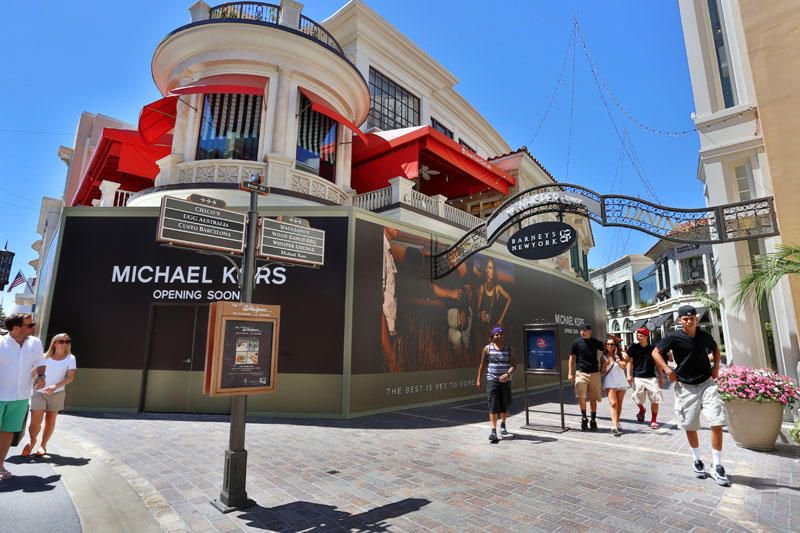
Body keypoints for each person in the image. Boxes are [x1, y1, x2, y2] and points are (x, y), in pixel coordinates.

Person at [652, 305, 730, 487]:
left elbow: (715, 348)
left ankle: (717, 465)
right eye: (685, 319)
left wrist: (716, 367)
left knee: (716, 421)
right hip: (685, 386)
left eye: (691, 318)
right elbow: (655, 352)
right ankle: (697, 460)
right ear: (680, 320)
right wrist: (667, 369)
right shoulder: (673, 337)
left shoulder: (704, 336)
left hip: (707, 383)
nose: (688, 321)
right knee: (690, 424)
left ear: (696, 319)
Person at [0, 313, 45, 480]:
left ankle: (0, 465)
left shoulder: (35, 343)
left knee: (8, 432)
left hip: (21, 398)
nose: (33, 327)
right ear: (16, 328)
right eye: (29, 325)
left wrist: (41, 376)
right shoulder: (1, 343)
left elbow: (40, 362)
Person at [22, 333, 77, 457]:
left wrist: (55, 387)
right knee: (35, 422)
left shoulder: (70, 358)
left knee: (50, 420)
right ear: (54, 343)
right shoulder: (43, 357)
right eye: (61, 341)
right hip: (39, 392)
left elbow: (70, 377)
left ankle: (43, 445)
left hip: (57, 393)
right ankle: (32, 441)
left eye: (67, 341)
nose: (64, 344)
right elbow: (31, 373)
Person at [476, 326, 516, 443]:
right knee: (493, 405)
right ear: (492, 337)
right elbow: (482, 365)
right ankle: (493, 431)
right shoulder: (487, 349)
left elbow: (514, 365)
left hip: (505, 381)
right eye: (497, 334)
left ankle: (503, 424)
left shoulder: (510, 349)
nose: (499, 336)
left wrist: (508, 374)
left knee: (504, 405)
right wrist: (478, 379)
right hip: (492, 380)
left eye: (501, 334)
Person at [568, 324, 604, 431]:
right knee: (581, 397)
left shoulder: (595, 342)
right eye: (581, 330)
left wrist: (604, 363)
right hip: (581, 373)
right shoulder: (576, 343)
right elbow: (572, 358)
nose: (582, 332)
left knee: (593, 398)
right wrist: (570, 373)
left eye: (584, 330)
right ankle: (584, 418)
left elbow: (607, 350)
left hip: (594, 373)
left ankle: (593, 420)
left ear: (590, 331)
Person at [626, 327, 664, 429]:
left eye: (641, 335)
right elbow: (629, 362)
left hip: (651, 377)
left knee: (655, 399)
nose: (638, 337)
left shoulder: (653, 349)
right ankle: (642, 410)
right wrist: (628, 374)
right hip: (638, 377)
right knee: (637, 399)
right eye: (637, 335)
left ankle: (653, 421)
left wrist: (661, 377)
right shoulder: (633, 348)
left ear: (647, 336)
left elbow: (658, 364)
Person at [476, 258, 512, 340]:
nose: (492, 271)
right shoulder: (482, 287)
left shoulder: (497, 287)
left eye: (493, 268)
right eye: (489, 268)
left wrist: (501, 319)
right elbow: (478, 310)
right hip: (486, 326)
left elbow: (509, 298)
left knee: (496, 345)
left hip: (496, 324)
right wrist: (480, 314)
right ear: (486, 269)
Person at [601, 337, 628, 436]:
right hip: (610, 381)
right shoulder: (603, 357)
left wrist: (616, 357)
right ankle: (614, 426)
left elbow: (623, 366)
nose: (609, 346)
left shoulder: (622, 355)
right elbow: (602, 372)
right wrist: (604, 365)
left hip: (621, 381)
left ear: (615, 346)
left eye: (611, 344)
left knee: (619, 405)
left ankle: (617, 421)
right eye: (607, 344)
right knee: (613, 403)